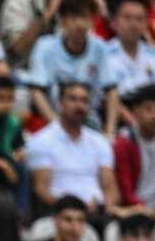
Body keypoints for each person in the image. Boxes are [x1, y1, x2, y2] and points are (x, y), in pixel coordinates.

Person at [29, 82, 118, 220]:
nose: (79, 105)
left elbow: (110, 187)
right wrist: (76, 209)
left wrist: (106, 205)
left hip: (97, 212)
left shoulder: (100, 142)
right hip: (58, 213)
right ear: (60, 103)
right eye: (73, 99)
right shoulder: (42, 140)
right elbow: (41, 190)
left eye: (84, 101)